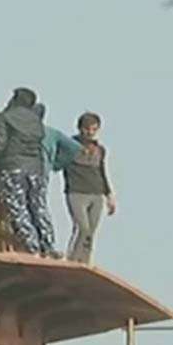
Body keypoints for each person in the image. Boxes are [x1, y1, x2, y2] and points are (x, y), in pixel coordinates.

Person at [0, 88, 58, 257]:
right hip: (36, 169)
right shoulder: (36, 122)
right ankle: (48, 247)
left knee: (17, 208)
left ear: (15, 100)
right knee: (39, 208)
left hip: (12, 167)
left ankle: (32, 247)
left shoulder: (3, 118)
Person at [63, 112, 116, 263]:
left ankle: (84, 260)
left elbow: (102, 172)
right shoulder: (69, 145)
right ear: (80, 128)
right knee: (82, 228)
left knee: (91, 232)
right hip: (76, 191)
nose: (90, 133)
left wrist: (109, 195)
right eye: (87, 129)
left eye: (94, 129)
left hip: (96, 192)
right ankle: (72, 259)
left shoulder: (100, 150)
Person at [34, 103, 83, 177]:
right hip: (43, 169)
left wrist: (57, 164)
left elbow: (74, 147)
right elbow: (74, 147)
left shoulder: (18, 131)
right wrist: (56, 164)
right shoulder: (51, 132)